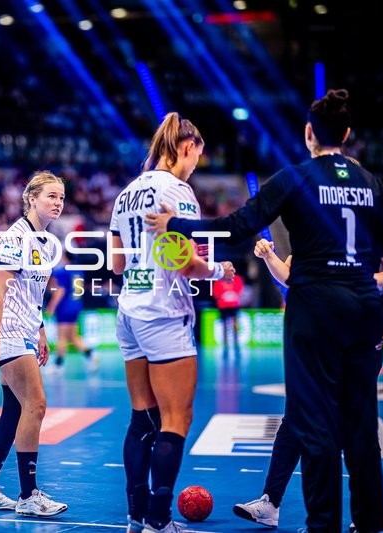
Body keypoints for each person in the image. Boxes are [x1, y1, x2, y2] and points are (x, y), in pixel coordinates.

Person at [146, 89, 383, 533]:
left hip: (313, 309)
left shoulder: (296, 177)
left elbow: (238, 226)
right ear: (347, 134)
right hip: (364, 308)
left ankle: (322, 524)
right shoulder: (370, 182)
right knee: (363, 427)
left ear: (310, 133)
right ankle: (370, 525)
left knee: (314, 423)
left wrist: (178, 224)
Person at [109, 112, 235, 533]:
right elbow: (182, 261)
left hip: (130, 309)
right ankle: (159, 522)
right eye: (197, 155)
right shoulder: (178, 191)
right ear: (185, 147)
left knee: (140, 417)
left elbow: (116, 262)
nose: (197, 164)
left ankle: (135, 516)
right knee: (175, 418)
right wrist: (219, 271)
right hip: (165, 311)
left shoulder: (126, 192)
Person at [234, 239, 383, 533]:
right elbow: (290, 276)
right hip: (319, 340)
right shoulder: (313, 232)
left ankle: (364, 513)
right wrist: (268, 256)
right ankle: (271, 503)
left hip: (361, 340)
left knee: (356, 424)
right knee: (295, 419)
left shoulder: (365, 227)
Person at [0, 171, 68, 517]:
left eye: (61, 197)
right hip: (8, 330)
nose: (57, 203)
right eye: (51, 196)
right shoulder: (16, 237)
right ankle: (28, 495)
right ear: (31, 198)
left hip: (25, 328)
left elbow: (34, 292)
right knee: (37, 404)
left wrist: (40, 330)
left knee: (13, 412)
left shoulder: (43, 239)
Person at [45, 251, 97, 374]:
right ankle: (91, 355)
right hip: (76, 305)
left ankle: (57, 366)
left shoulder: (62, 272)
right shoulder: (78, 271)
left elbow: (60, 291)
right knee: (73, 336)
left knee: (61, 337)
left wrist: (51, 306)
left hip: (65, 307)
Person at [212, 272, 245, 354]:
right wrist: (224, 295)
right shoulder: (219, 279)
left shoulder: (237, 278)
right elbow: (215, 292)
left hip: (234, 304)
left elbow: (240, 291)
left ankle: (236, 342)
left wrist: (233, 295)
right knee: (224, 325)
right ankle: (225, 343)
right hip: (223, 305)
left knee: (235, 324)